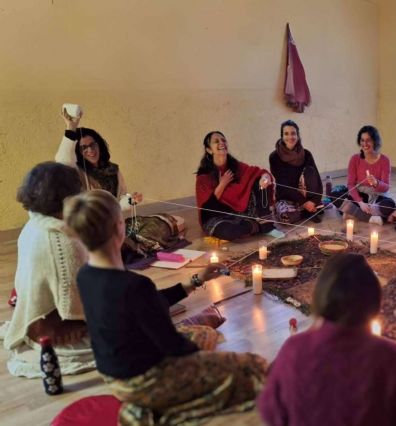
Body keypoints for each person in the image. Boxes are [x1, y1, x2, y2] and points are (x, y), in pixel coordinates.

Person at [64, 189, 267, 425]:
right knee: (253, 367)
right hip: (146, 379)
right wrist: (209, 366)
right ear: (120, 226)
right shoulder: (134, 285)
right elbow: (172, 345)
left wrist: (196, 280)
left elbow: (147, 304)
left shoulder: (86, 277)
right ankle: (165, 411)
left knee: (204, 333)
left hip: (114, 377)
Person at [258, 253, 396, 426]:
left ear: (320, 297)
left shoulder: (294, 349)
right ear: (374, 302)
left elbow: (271, 413)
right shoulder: (389, 356)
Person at [0, 162, 95, 378]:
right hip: (57, 330)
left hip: (35, 317)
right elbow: (76, 304)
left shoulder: (34, 225)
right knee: (135, 325)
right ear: (68, 197)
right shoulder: (63, 240)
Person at [55, 109, 183, 264]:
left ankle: (130, 247)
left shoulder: (113, 169)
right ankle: (130, 248)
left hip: (115, 224)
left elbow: (120, 199)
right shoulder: (75, 172)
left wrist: (130, 200)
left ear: (99, 145)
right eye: (84, 148)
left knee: (165, 223)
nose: (90, 150)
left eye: (92, 145)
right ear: (78, 152)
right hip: (92, 230)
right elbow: (62, 162)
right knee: (105, 242)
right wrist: (71, 128)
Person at [196, 130, 275, 241]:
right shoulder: (203, 175)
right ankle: (256, 225)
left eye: (223, 140)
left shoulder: (235, 165)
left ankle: (266, 224)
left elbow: (257, 172)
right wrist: (223, 184)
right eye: (216, 141)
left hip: (239, 212)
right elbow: (208, 206)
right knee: (231, 232)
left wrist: (265, 178)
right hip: (215, 217)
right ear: (209, 150)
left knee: (259, 182)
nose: (221, 143)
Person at [338, 125, 396, 225]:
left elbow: (386, 187)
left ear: (375, 141)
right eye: (362, 140)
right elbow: (351, 185)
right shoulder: (355, 159)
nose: (364, 144)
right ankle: (372, 217)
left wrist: (376, 183)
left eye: (368, 140)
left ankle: (354, 213)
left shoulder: (385, 160)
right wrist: (360, 203)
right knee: (334, 195)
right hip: (361, 196)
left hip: (378, 196)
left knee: (390, 205)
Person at [269, 120, 323, 224]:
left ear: (297, 135)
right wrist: (305, 203)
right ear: (282, 136)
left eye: (293, 133)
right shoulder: (274, 157)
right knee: (286, 217)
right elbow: (284, 185)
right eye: (286, 134)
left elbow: (317, 179)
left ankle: (307, 209)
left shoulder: (307, 154)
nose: (290, 137)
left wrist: (315, 200)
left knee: (310, 171)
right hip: (287, 196)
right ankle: (306, 212)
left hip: (306, 195)